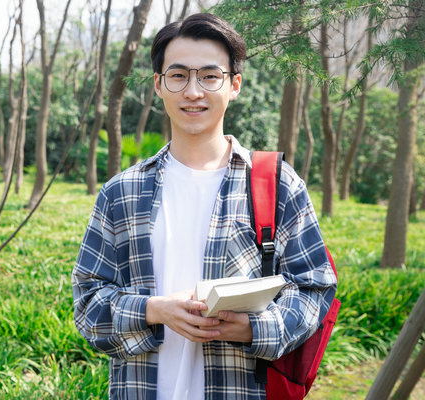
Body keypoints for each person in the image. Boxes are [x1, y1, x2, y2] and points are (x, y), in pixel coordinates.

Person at [72, 13, 337, 400]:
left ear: (234, 86)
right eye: (178, 76)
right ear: (159, 86)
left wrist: (253, 329)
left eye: (209, 76)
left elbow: (315, 288)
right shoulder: (121, 193)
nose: (193, 91)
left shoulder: (276, 184)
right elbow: (87, 306)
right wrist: (155, 310)